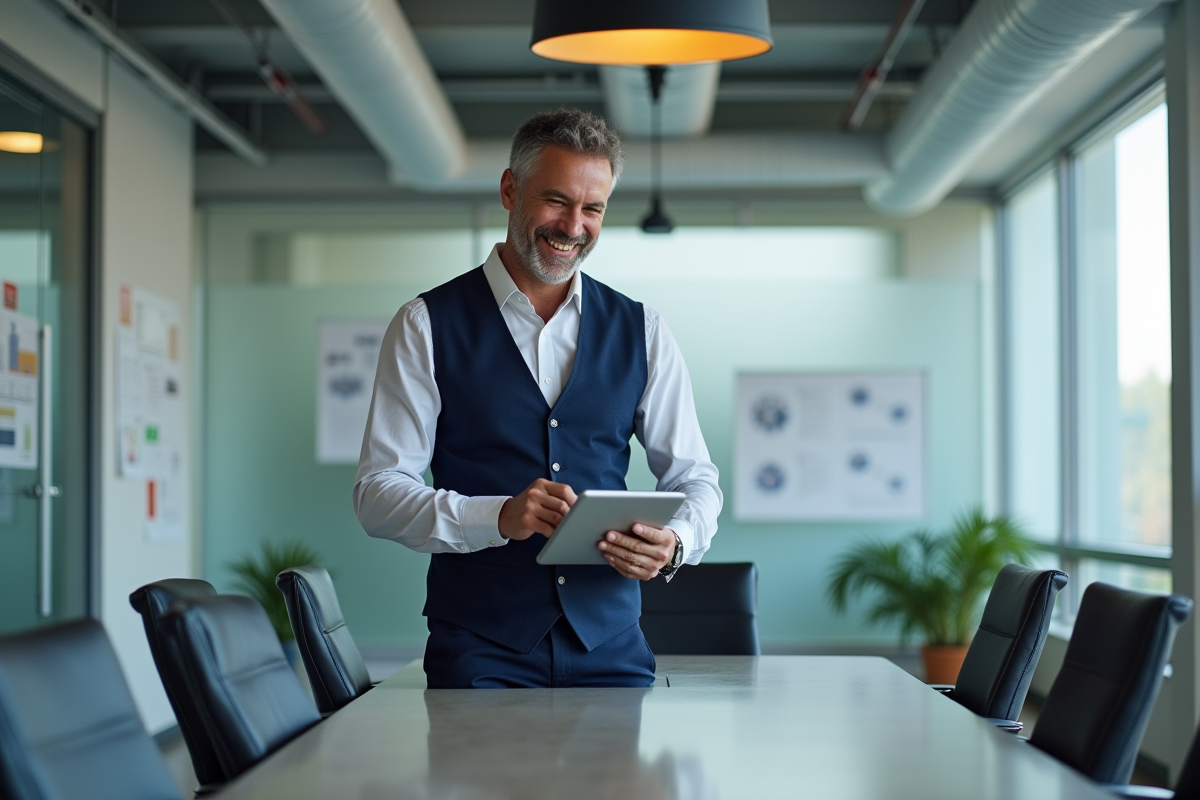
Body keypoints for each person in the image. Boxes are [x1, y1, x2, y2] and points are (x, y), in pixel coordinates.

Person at [353, 108, 722, 688]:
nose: (574, 226)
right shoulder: (425, 324)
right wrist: (496, 516)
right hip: (479, 648)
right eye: (556, 201)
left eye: (593, 208)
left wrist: (677, 541)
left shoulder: (643, 330)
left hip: (611, 645)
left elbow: (695, 477)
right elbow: (378, 493)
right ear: (510, 190)